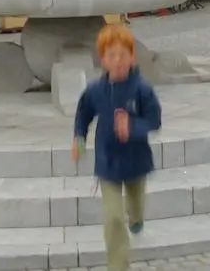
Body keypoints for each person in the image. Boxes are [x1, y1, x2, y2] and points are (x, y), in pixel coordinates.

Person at [72, 24, 162, 271]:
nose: (118, 61)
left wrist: (132, 126)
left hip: (136, 159)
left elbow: (154, 120)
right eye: (112, 55)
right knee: (113, 217)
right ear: (103, 60)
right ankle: (118, 265)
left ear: (133, 57)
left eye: (123, 54)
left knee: (136, 204)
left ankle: (137, 219)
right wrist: (79, 138)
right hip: (107, 161)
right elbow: (83, 115)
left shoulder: (142, 89)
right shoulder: (95, 91)